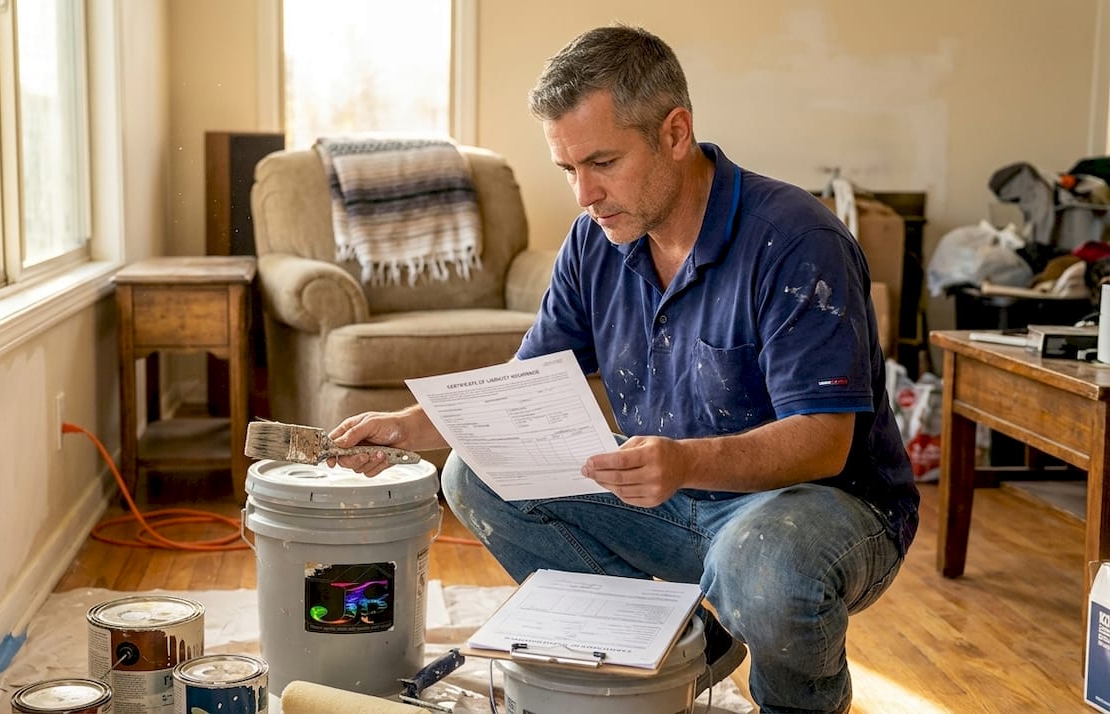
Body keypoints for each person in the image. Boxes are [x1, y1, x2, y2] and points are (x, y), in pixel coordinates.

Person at [328, 24, 919, 714]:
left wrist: (683, 463)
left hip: (821, 507)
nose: (584, 193)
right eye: (568, 169)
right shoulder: (596, 239)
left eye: (601, 162)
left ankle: (800, 704)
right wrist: (410, 427)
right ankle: (689, 637)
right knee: (472, 470)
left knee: (761, 564)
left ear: (675, 132)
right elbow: (527, 386)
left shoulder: (796, 242)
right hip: (674, 492)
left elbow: (824, 441)